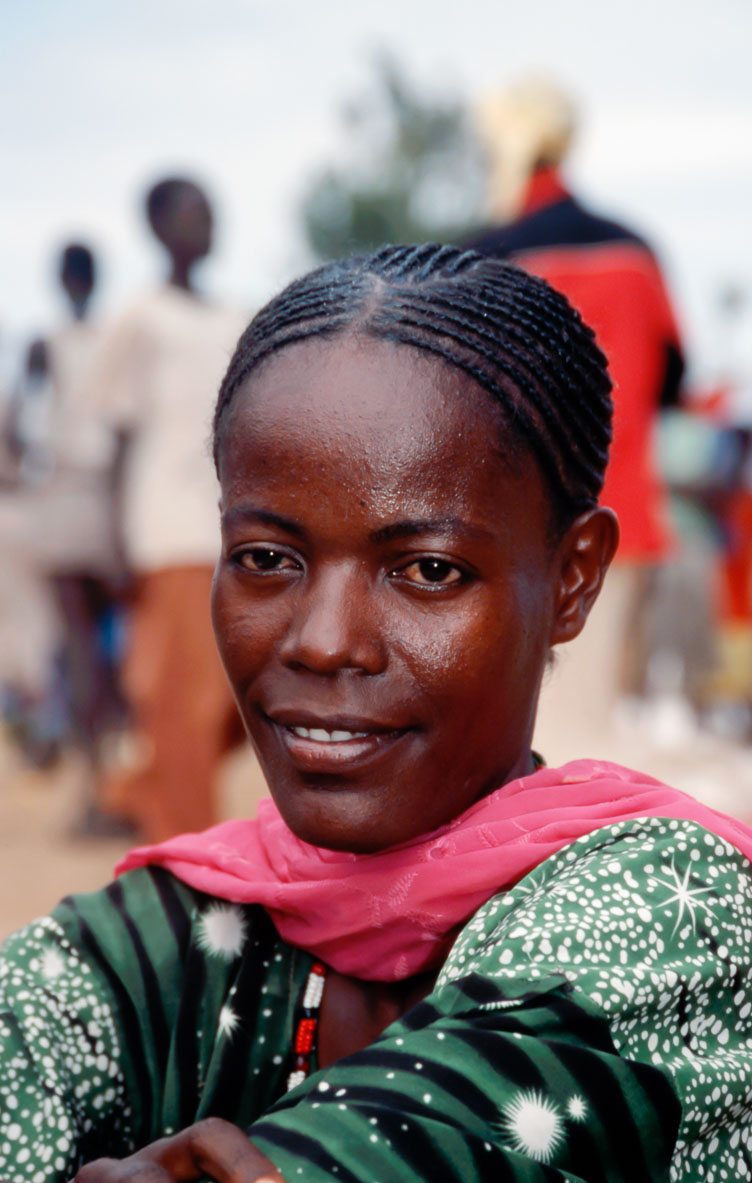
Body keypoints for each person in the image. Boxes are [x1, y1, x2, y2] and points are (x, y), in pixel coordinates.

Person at [2, 245, 752, 1183]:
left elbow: (456, 1130)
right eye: (268, 557)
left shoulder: (668, 907)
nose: (323, 642)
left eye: (428, 569)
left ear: (572, 577)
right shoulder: (160, 941)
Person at [466, 78, 686, 758]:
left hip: (513, 524)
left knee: (534, 732)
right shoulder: (634, 248)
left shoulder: (487, 253)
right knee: (599, 729)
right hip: (623, 520)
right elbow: (675, 382)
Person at [89, 177, 246, 841]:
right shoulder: (139, 319)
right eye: (194, 212)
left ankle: (138, 788)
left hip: (233, 528)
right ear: (158, 227)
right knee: (184, 700)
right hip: (165, 532)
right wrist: (113, 542)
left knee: (239, 699)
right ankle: (186, 848)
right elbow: (117, 439)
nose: (209, 222)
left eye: (214, 209)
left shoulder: (237, 316)